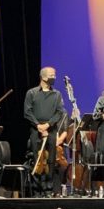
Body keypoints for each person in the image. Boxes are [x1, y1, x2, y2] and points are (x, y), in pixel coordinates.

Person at [23, 67, 66, 197]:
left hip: (51, 130)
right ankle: (37, 190)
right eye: (51, 75)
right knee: (37, 159)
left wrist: (47, 125)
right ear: (43, 77)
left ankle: (48, 189)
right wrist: (38, 125)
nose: (54, 77)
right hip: (36, 130)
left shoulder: (57, 94)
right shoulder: (32, 93)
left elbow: (59, 112)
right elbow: (27, 112)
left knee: (51, 160)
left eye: (54, 75)